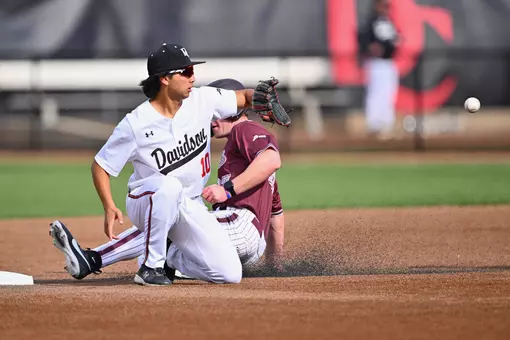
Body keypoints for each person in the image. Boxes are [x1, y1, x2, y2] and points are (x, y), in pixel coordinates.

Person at [48, 43, 289, 286]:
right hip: (146, 199)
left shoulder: (202, 100)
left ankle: (140, 259)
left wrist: (256, 98)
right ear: (164, 79)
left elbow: (243, 97)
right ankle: (151, 267)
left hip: (190, 204)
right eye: (185, 72)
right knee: (169, 189)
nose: (192, 77)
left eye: (192, 71)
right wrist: (108, 205)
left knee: (230, 274)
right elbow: (100, 165)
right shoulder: (136, 123)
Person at [358, 0, 400, 139]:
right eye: (382, 5)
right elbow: (363, 40)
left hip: (389, 62)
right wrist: (370, 48)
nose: (385, 9)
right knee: (375, 92)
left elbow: (394, 40)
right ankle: (374, 125)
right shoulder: (371, 23)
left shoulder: (389, 22)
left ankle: (386, 124)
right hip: (375, 63)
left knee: (388, 93)